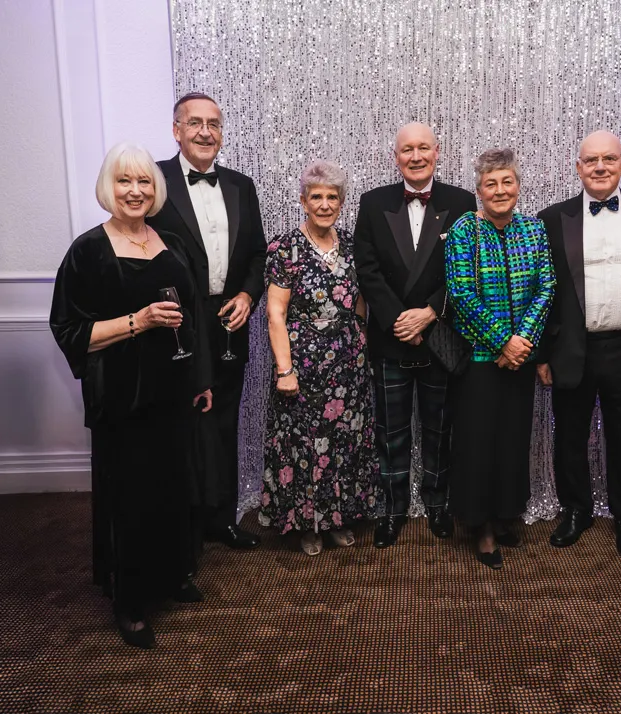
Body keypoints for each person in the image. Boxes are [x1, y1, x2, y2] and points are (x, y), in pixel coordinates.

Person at [50, 143, 213, 649]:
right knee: (131, 497)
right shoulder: (88, 250)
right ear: (108, 188)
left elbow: (194, 316)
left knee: (173, 485)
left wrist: (200, 379)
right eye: (124, 182)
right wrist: (136, 322)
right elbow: (68, 329)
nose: (135, 191)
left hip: (172, 387)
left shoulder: (170, 243)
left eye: (144, 182)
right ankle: (130, 601)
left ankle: (171, 576)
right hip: (121, 396)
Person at [536, 130, 621, 558]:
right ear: (578, 167)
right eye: (590, 160)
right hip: (572, 349)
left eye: (608, 159)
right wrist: (542, 353)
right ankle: (576, 510)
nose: (599, 167)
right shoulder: (552, 218)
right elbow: (543, 290)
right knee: (570, 436)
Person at [148, 92, 267, 550]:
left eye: (213, 124)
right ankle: (183, 527)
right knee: (181, 422)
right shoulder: (153, 181)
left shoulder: (241, 185)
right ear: (176, 129)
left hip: (228, 322)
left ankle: (223, 518)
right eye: (194, 122)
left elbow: (256, 253)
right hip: (175, 324)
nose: (204, 132)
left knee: (225, 420)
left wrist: (246, 295)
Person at [353, 122, 476, 548]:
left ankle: (439, 504)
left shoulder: (462, 201)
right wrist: (397, 319)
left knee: (439, 427)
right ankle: (392, 509)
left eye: (424, 148)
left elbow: (466, 269)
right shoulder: (372, 203)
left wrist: (428, 313)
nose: (416, 156)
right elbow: (366, 268)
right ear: (396, 156)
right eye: (408, 149)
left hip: (440, 335)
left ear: (437, 152)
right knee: (391, 430)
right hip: (391, 337)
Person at [445, 148, 555, 569]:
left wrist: (522, 341)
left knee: (513, 438)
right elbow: (462, 294)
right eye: (491, 184)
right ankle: (482, 525)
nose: (500, 190)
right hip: (478, 360)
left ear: (518, 187)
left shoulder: (534, 229)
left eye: (507, 182)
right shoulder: (464, 232)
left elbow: (547, 286)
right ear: (479, 192)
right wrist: (501, 342)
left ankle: (507, 512)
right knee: (478, 442)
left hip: (521, 359)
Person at [260, 160, 379, 555]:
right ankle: (308, 523)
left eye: (332, 197)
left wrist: (361, 345)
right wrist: (285, 370)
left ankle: (339, 518)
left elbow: (360, 302)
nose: (325, 204)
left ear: (341, 202)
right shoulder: (284, 247)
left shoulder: (351, 244)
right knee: (307, 444)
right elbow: (275, 312)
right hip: (303, 363)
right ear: (303, 201)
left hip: (348, 362)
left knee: (344, 442)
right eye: (317, 197)